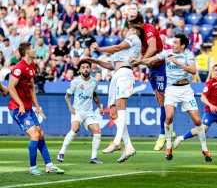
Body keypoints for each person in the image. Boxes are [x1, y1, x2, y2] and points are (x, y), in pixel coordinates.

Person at [130, 33, 211, 161]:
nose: (172, 45)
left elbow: (193, 70)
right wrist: (139, 61)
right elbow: (151, 60)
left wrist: (177, 63)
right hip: (171, 90)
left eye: (175, 43)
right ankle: (168, 147)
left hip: (186, 90)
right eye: (172, 42)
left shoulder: (188, 54)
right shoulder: (167, 53)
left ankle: (204, 148)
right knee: (169, 117)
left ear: (182, 46)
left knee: (197, 120)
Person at [87, 26, 144, 163]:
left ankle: (117, 141)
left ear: (134, 32)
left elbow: (117, 47)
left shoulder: (133, 38)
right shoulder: (125, 49)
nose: (126, 32)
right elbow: (112, 65)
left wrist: (100, 49)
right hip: (117, 74)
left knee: (120, 106)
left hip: (125, 73)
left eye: (128, 30)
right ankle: (129, 146)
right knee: (113, 113)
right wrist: (97, 62)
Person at [8, 42, 64, 175]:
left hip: (28, 108)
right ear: (27, 52)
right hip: (17, 108)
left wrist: (37, 107)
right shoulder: (19, 67)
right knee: (35, 134)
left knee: (41, 134)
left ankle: (49, 165)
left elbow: (32, 87)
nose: (34, 50)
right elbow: (11, 87)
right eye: (32, 48)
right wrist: (21, 104)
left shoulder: (32, 66)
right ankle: (33, 167)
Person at [128, 11, 174, 151]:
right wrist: (141, 59)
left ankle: (163, 134)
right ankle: (169, 130)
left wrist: (141, 61)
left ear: (140, 24)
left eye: (132, 26)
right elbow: (141, 50)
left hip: (161, 67)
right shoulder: (137, 33)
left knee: (163, 99)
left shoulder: (149, 30)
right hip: (152, 68)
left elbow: (153, 48)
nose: (131, 29)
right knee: (160, 101)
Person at [57, 60, 104, 163]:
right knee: (75, 129)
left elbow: (95, 95)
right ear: (79, 70)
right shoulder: (75, 82)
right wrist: (70, 107)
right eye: (83, 67)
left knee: (98, 132)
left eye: (87, 67)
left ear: (90, 69)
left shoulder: (94, 81)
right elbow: (67, 96)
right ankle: (61, 153)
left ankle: (93, 157)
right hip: (77, 111)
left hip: (89, 112)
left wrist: (100, 107)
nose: (85, 69)